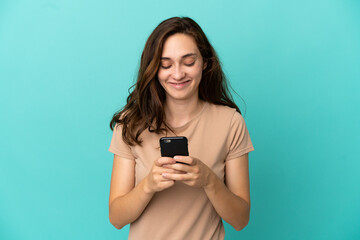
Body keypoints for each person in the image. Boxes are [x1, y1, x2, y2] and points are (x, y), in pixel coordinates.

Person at [108, 16, 254, 240]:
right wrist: (148, 185)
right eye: (165, 65)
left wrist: (209, 180)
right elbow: (117, 218)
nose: (177, 74)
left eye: (188, 62)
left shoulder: (230, 122)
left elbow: (241, 219)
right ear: (154, 68)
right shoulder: (131, 124)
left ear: (205, 62)